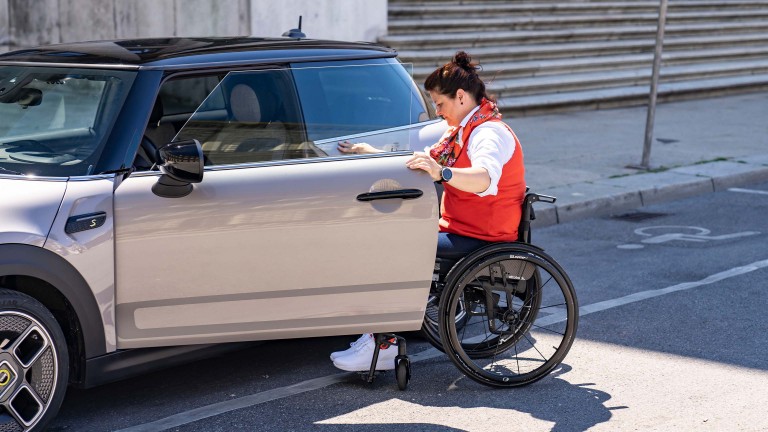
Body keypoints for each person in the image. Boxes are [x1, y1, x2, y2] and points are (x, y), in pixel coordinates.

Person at [331, 51, 526, 372]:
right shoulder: (464, 129)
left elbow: (484, 178)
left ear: (461, 97)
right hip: (460, 227)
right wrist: (371, 152)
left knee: (393, 248)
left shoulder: (489, 133)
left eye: (440, 104)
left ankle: (383, 344)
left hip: (482, 236)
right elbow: (424, 159)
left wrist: (443, 174)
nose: (437, 112)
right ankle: (378, 334)